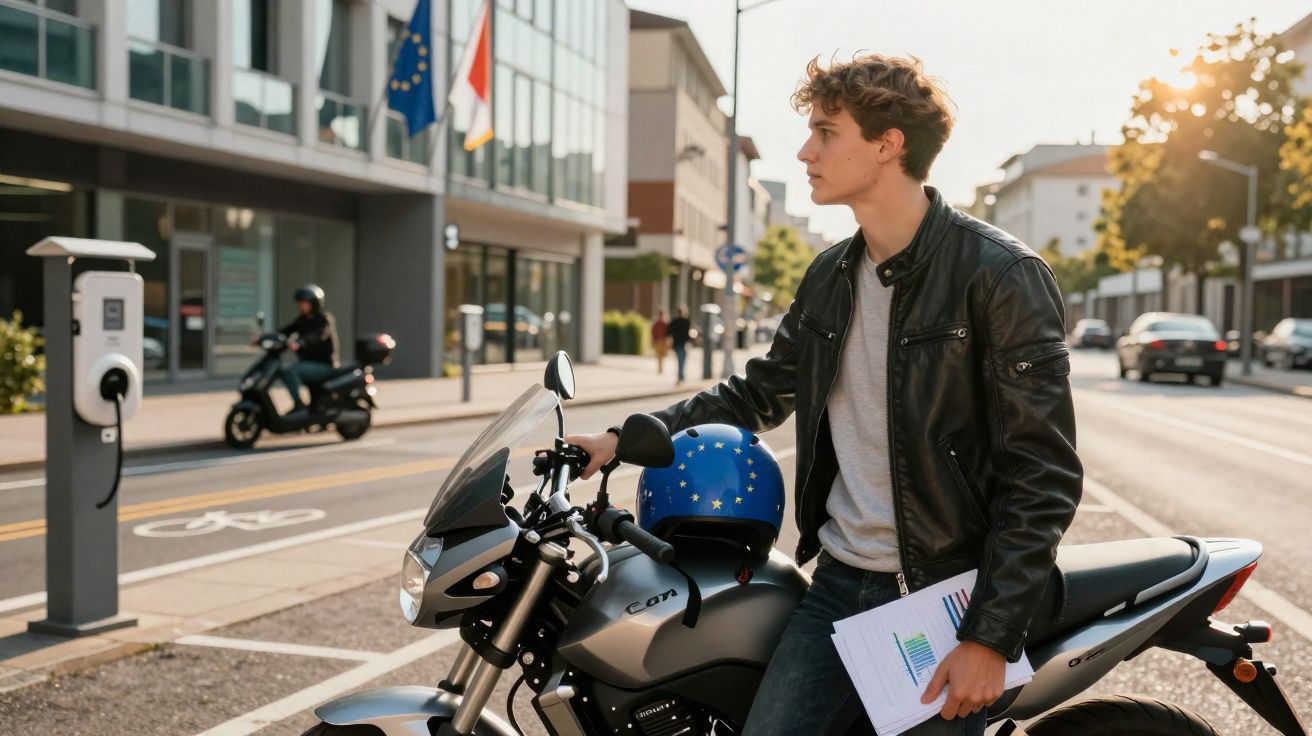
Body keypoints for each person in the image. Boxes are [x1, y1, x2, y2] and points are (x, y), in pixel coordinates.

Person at [567, 53, 1081, 735]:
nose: (806, 151)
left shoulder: (1000, 275)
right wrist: (623, 441)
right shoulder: (830, 276)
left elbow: (1043, 476)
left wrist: (989, 636)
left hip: (953, 592)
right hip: (841, 582)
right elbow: (758, 393)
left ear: (887, 145)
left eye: (825, 132)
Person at [275, 284, 338, 414]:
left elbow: (319, 334)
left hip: (324, 365)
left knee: (290, 371)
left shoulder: (324, 318)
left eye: (304, 303)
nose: (301, 306)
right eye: (300, 303)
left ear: (314, 303)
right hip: (309, 363)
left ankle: (299, 404)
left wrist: (301, 342)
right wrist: (265, 338)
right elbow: (285, 331)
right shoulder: (303, 319)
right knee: (283, 370)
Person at [668, 306, 692, 385]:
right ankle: (681, 376)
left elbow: (670, 332)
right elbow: (688, 334)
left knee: (681, 360)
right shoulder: (685, 321)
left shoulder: (675, 321)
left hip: (679, 344)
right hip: (682, 344)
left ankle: (681, 376)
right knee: (681, 360)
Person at [651, 309, 671, 375]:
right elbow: (653, 332)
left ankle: (660, 368)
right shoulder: (657, 323)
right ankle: (660, 369)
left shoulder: (665, 323)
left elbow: (668, 332)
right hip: (659, 340)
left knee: (661, 356)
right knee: (659, 356)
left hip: (663, 341)